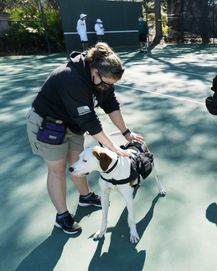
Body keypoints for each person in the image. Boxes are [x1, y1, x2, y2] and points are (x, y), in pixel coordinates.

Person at [26, 42, 143, 234]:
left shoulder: (103, 78)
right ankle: (62, 215)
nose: (106, 87)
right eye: (104, 83)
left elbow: (111, 104)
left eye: (110, 85)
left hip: (72, 124)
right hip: (48, 124)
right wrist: (114, 147)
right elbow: (90, 121)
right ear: (94, 70)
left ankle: (85, 196)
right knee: (58, 169)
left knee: (78, 162)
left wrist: (126, 133)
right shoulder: (71, 78)